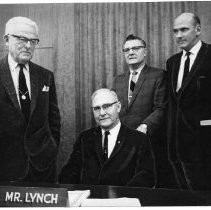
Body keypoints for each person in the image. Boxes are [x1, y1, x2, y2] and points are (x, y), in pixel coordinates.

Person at [0, 16, 61, 183]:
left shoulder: (45, 76)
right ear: (6, 40)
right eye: (22, 39)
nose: (28, 45)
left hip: (42, 167)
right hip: (5, 168)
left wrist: (51, 149)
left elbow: (54, 119)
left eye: (33, 41)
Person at [113, 34, 175, 188]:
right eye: (126, 49)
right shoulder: (118, 79)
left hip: (149, 142)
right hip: (124, 144)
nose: (131, 52)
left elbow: (161, 107)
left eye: (135, 48)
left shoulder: (158, 75)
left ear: (145, 51)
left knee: (148, 187)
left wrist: (144, 127)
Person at [59, 88, 155, 187]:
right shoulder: (85, 138)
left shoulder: (138, 139)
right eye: (97, 108)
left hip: (124, 200)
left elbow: (146, 177)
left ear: (118, 107)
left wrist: (120, 198)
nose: (102, 113)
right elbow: (69, 173)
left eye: (107, 106)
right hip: (90, 200)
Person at [166, 12, 211, 191]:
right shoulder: (172, 63)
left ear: (198, 29)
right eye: (175, 31)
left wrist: (207, 125)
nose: (178, 35)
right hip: (177, 148)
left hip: (206, 146)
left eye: (184, 29)